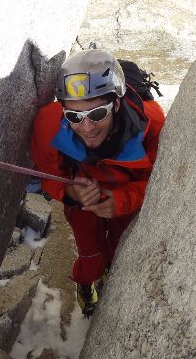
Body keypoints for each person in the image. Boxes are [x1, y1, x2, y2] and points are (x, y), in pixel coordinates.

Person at [30, 49, 165, 315]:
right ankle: (87, 279)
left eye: (97, 114)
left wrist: (123, 201)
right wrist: (71, 193)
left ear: (116, 103)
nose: (87, 127)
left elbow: (160, 180)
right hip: (83, 196)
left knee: (120, 248)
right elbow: (47, 175)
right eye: (74, 117)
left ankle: (114, 277)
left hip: (125, 192)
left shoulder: (151, 123)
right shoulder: (49, 124)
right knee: (89, 250)